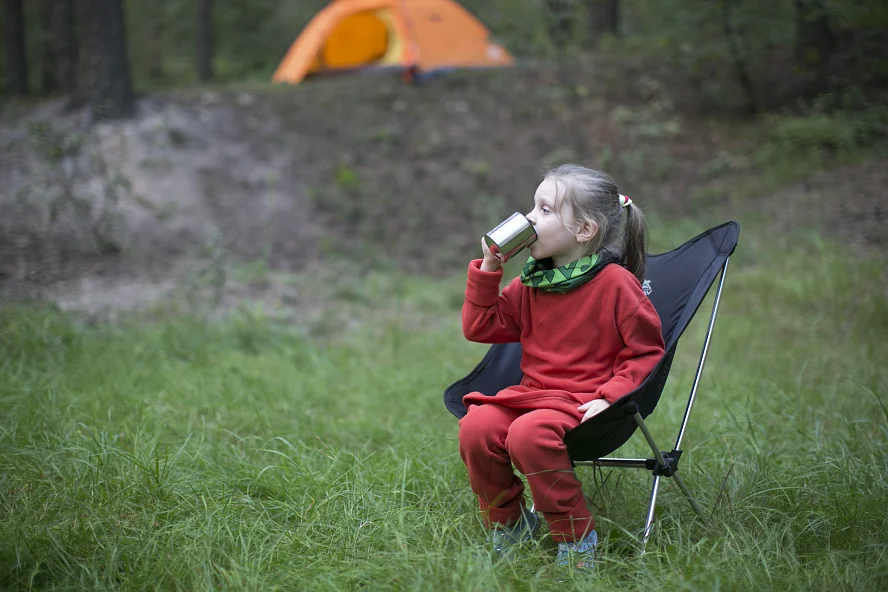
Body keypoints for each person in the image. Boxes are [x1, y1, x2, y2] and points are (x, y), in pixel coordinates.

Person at [458, 164, 666, 569]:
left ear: (584, 230)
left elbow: (645, 353)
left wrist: (611, 397)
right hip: (532, 396)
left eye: (545, 210)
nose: (529, 219)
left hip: (583, 403)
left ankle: (576, 536)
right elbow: (479, 326)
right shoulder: (534, 282)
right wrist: (489, 269)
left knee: (528, 434)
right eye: (532, 207)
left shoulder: (616, 285)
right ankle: (511, 523)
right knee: (476, 427)